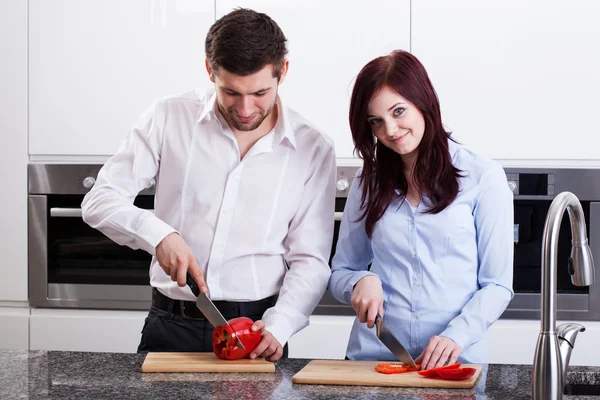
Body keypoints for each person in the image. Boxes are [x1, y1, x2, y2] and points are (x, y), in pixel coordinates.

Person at [82, 8, 335, 362]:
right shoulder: (168, 117)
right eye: (230, 92)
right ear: (209, 71)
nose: (246, 108)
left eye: (260, 92)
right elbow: (100, 199)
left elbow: (310, 258)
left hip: (258, 333)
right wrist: (159, 235)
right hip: (170, 325)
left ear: (284, 72)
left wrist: (282, 323)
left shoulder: (313, 148)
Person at [329, 50, 513, 369]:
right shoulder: (367, 182)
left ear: (423, 100)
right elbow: (341, 271)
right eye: (376, 121)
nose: (390, 129)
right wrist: (359, 281)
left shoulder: (482, 176)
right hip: (373, 360)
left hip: (454, 362)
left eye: (398, 111)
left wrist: (456, 335)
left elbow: (497, 285)